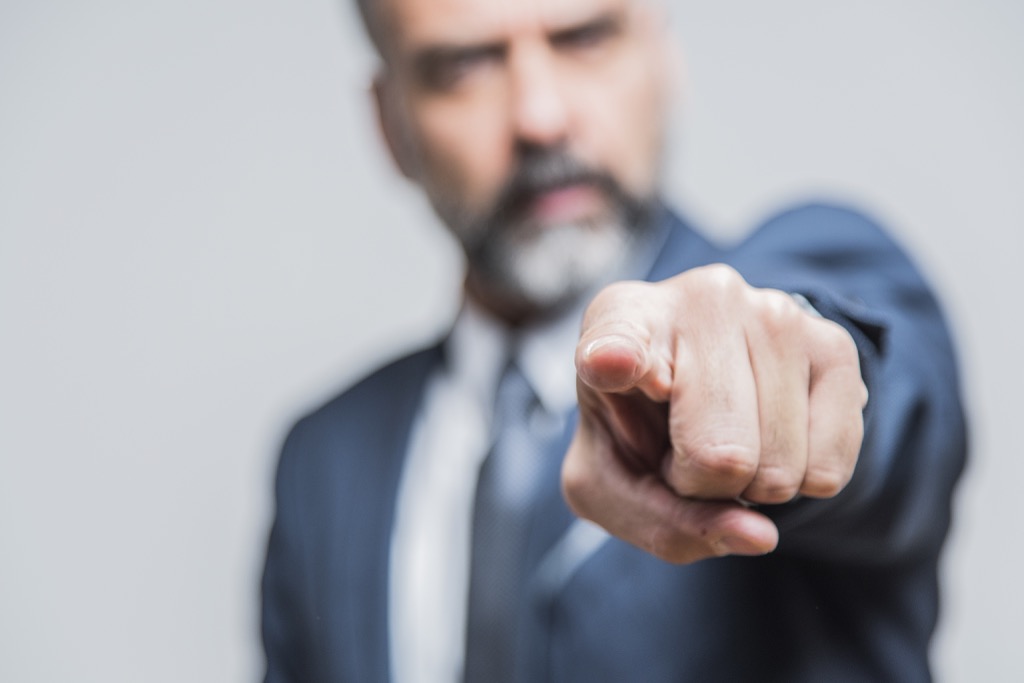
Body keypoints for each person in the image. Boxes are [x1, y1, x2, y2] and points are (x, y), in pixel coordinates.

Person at [261, 0, 967, 681]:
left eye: (584, 37)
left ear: (664, 56)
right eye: (464, 66)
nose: (540, 118)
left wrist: (776, 371)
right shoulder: (321, 464)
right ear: (390, 123)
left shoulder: (797, 293)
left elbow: (881, 404)